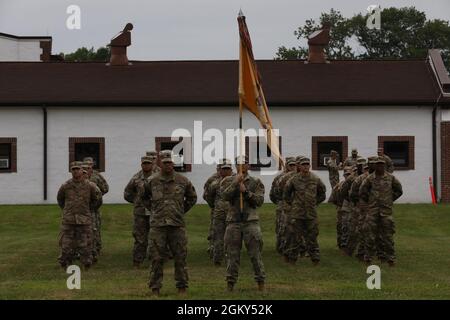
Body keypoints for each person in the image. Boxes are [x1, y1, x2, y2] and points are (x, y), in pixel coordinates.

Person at [142, 150, 197, 295]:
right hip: (158, 225)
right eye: (165, 163)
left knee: (180, 256)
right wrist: (154, 209)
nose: (168, 165)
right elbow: (143, 197)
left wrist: (180, 210)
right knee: (156, 258)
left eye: (170, 162)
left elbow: (192, 197)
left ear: (174, 163)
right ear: (160, 163)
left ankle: (182, 286)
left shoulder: (182, 181)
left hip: (177, 224)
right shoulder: (152, 181)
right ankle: (155, 288)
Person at [221, 155, 265, 292]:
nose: (241, 166)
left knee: (255, 254)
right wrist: (235, 183)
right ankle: (230, 283)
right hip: (233, 222)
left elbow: (259, 201)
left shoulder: (256, 181)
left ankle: (260, 282)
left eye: (244, 163)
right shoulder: (227, 180)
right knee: (232, 255)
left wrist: (245, 192)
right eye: (238, 163)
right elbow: (224, 196)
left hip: (250, 222)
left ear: (248, 165)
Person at [57, 161, 101, 270]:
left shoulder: (90, 186)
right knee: (66, 244)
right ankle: (65, 263)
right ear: (71, 171)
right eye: (73, 169)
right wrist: (67, 210)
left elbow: (97, 199)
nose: (76, 171)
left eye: (78, 169)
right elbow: (60, 199)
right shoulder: (66, 186)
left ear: (82, 171)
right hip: (69, 220)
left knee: (86, 244)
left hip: (84, 220)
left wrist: (89, 209)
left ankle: (86, 264)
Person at [360, 157, 403, 266]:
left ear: (384, 165)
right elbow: (362, 191)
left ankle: (390, 259)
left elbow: (399, 190)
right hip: (373, 211)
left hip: (386, 211)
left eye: (382, 164)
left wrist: (390, 199)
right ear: (375, 166)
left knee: (388, 236)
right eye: (378, 164)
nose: (380, 166)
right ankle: (368, 258)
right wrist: (370, 201)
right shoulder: (370, 178)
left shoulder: (391, 178)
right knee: (370, 235)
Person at [283, 157, 326, 265]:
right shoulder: (294, 179)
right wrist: (293, 204)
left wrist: (314, 203)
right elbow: (286, 194)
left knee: (312, 236)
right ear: (299, 166)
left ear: (310, 166)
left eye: (307, 164)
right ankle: (292, 259)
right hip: (297, 213)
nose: (306, 166)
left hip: (311, 213)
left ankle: (315, 259)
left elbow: (322, 193)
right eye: (303, 164)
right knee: (295, 237)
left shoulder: (315, 179)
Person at [124, 156, 154, 267]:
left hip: (154, 211)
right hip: (140, 213)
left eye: (148, 163)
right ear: (141, 165)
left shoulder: (157, 177)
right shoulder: (136, 178)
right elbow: (127, 193)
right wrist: (137, 201)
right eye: (144, 163)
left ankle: (154, 260)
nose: (146, 165)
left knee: (155, 237)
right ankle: (138, 261)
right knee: (140, 237)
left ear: (152, 164)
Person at [205, 159, 234, 266]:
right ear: (220, 171)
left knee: (232, 238)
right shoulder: (215, 184)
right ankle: (217, 259)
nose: (226, 171)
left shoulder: (236, 182)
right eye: (224, 169)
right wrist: (215, 206)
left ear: (231, 170)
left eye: (228, 169)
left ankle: (231, 258)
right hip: (219, 214)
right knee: (218, 236)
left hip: (233, 214)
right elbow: (208, 197)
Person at [269, 156, 297, 255]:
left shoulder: (299, 177)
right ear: (286, 166)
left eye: (295, 165)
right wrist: (280, 202)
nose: (293, 167)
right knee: (282, 228)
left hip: (296, 206)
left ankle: (298, 248)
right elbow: (273, 194)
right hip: (283, 206)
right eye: (291, 165)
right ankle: (281, 247)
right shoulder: (279, 178)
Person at [83, 157, 109, 255]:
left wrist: (97, 196)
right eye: (86, 164)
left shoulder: (97, 176)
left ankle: (96, 248)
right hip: (82, 208)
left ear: (93, 165)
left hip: (94, 207)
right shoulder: (79, 176)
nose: (88, 166)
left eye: (90, 164)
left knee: (95, 228)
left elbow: (105, 188)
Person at [203, 163, 222, 259]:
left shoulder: (233, 177)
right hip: (216, 209)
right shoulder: (212, 180)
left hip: (230, 210)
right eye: (219, 168)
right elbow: (206, 195)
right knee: (214, 230)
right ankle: (212, 247)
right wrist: (213, 205)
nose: (221, 170)